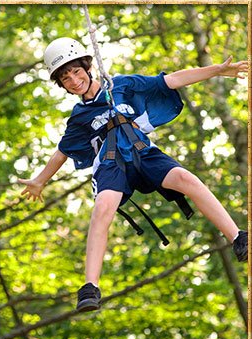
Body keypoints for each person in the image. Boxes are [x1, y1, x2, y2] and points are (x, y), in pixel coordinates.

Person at [19, 37, 248, 313]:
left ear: (88, 68)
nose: (73, 80)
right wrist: (40, 180)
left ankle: (238, 238)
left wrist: (215, 70)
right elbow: (61, 152)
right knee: (103, 207)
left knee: (187, 180)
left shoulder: (121, 86)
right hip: (111, 163)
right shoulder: (79, 117)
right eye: (65, 78)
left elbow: (171, 80)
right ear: (62, 85)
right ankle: (90, 287)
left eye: (76, 71)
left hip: (142, 152)